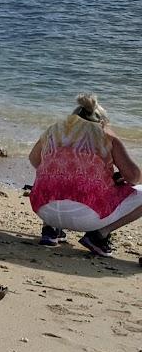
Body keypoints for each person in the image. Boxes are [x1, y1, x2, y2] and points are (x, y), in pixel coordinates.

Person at [29, 93, 142, 257]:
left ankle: (50, 230)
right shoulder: (107, 136)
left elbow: (34, 160)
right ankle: (99, 235)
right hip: (87, 217)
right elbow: (133, 177)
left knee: (53, 178)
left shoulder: (54, 130)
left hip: (44, 208)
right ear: (102, 121)